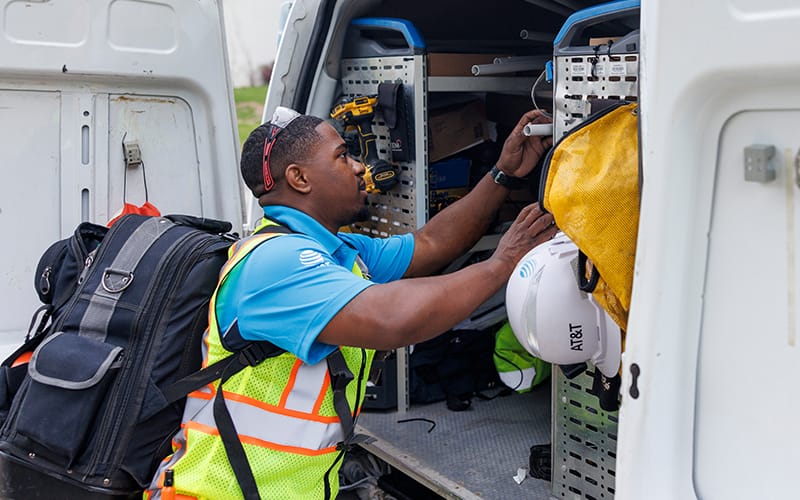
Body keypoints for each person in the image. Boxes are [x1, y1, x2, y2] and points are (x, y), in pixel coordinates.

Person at [145, 106, 557, 500]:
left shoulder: (336, 252)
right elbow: (391, 319)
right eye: (342, 156)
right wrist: (502, 264)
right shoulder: (276, 263)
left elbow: (431, 244)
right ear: (299, 178)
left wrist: (502, 173)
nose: (360, 167)